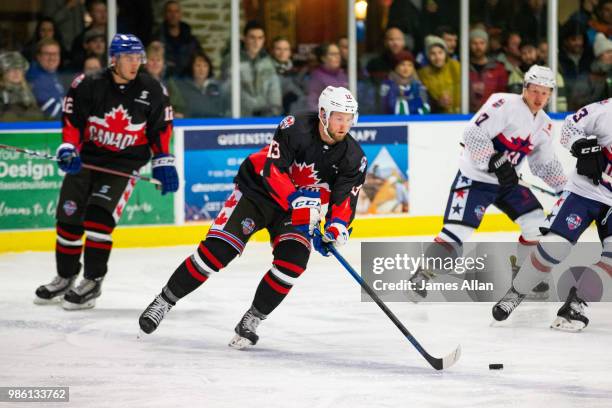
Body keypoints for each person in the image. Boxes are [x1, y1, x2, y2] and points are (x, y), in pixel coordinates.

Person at [138, 86, 367, 349]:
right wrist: (297, 200)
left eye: (349, 118)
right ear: (324, 114)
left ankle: (252, 319)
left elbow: (344, 199)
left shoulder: (354, 157)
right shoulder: (295, 127)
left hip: (296, 211)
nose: (344, 125)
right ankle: (164, 301)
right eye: (339, 117)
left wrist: (337, 227)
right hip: (258, 192)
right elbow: (274, 172)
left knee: (293, 263)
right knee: (216, 253)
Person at [33, 33, 178, 310]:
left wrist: (163, 160)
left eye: (138, 57)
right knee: (68, 218)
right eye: (129, 58)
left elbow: (161, 129)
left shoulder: (153, 89)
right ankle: (65, 277)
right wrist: (68, 148)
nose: (135, 63)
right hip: (87, 160)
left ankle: (92, 282)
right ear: (114, 59)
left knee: (99, 218)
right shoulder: (88, 84)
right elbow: (73, 121)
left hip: (123, 165)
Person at [406, 65, 567, 301]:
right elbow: (472, 133)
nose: (539, 97)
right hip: (475, 179)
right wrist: (494, 159)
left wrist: (565, 188)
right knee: (458, 231)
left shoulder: (545, 125)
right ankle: (423, 274)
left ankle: (524, 276)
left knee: (536, 224)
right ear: (525, 88)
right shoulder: (503, 104)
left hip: (508, 184)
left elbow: (544, 164)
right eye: (535, 91)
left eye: (545, 93)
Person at [492, 98, 612, 332]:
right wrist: (581, 146)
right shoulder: (607, 111)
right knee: (554, 247)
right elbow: (570, 126)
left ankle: (576, 304)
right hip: (584, 192)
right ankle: (516, 292)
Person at [221, 20, 282, 117]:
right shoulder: (232, 60)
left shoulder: (268, 62)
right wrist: (254, 107)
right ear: (244, 38)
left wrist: (273, 113)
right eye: (252, 37)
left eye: (260, 38)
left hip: (265, 118)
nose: (256, 42)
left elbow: (274, 91)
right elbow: (229, 89)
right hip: (239, 117)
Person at [154, 0, 202, 77]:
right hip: (164, 78)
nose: (173, 15)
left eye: (176, 11)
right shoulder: (157, 38)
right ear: (165, 14)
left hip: (187, 79)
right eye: (170, 11)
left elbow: (199, 59)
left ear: (180, 14)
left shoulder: (191, 40)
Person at [174, 50, 228, 118]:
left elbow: (225, 110)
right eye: (198, 65)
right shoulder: (181, 87)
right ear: (191, 67)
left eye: (205, 66)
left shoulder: (217, 87)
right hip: (189, 125)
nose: (202, 69)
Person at [468, 28, 508, 112]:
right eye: (474, 43)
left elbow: (503, 95)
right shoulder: (462, 68)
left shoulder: (498, 68)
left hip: (492, 115)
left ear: (487, 45)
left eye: (482, 43)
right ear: (469, 45)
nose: (478, 47)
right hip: (466, 115)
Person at [418, 35, 461, 113]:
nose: (437, 57)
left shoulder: (457, 67)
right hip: (437, 118)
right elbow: (423, 99)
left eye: (440, 52)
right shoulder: (423, 74)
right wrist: (438, 103)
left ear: (445, 53)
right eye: (433, 54)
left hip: (461, 116)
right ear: (428, 56)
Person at [379, 50, 429, 115]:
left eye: (410, 65)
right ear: (395, 67)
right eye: (402, 64)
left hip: (415, 122)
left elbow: (426, 107)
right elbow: (384, 106)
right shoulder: (387, 85)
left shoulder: (418, 86)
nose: (406, 68)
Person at [26, 38, 65, 119]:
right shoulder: (33, 77)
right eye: (47, 54)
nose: (52, 58)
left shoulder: (56, 75)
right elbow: (50, 111)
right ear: (38, 56)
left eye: (55, 54)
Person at [0, 51, 43, 121]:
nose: (16, 72)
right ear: (3, 73)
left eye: (19, 68)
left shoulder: (31, 91)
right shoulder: (2, 94)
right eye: (11, 69)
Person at [307, 43, 348, 111]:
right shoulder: (317, 77)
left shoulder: (343, 74)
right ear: (323, 58)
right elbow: (312, 104)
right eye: (333, 54)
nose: (337, 56)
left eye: (338, 54)